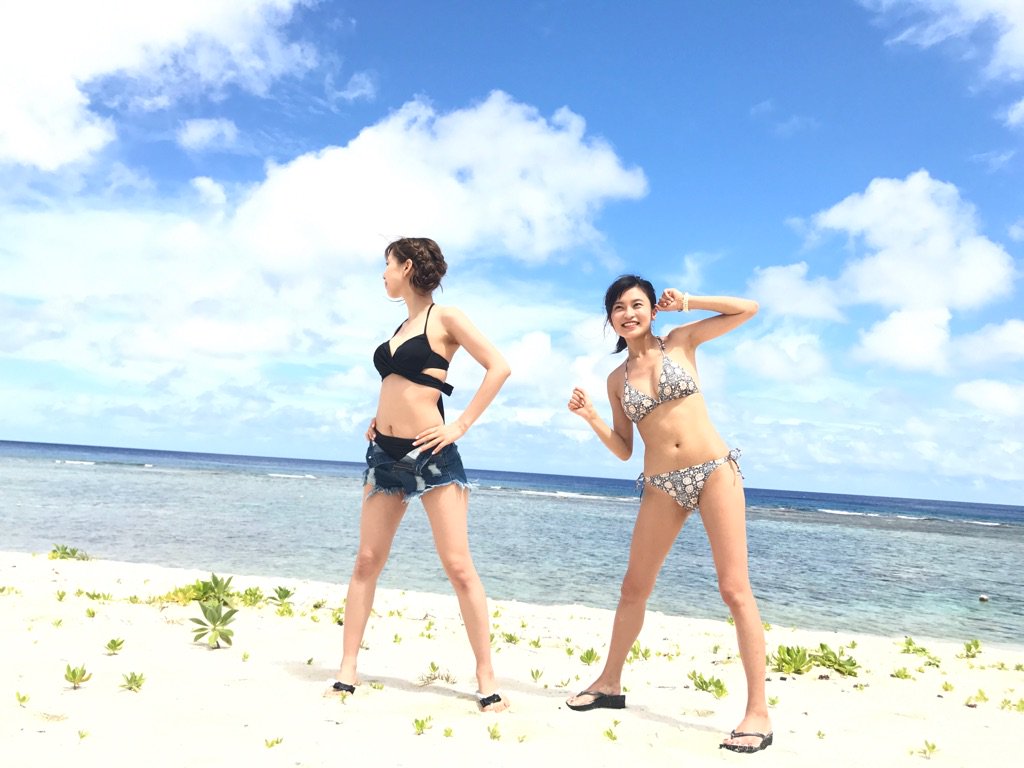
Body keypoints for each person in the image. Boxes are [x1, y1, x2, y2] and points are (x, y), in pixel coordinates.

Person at [564, 275, 772, 753]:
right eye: (619, 307)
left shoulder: (681, 341)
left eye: (637, 304)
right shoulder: (616, 380)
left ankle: (758, 712)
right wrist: (591, 417)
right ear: (611, 319)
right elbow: (624, 448)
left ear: (653, 310)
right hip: (662, 485)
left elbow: (748, 309)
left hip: (714, 471)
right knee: (633, 587)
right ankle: (609, 682)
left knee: (734, 589)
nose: (628, 313)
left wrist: (691, 302)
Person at [329, 237, 511, 713]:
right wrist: (380, 418)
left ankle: (486, 678)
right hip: (383, 455)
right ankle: (347, 669)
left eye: (387, 265)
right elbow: (401, 385)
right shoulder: (401, 326)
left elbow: (499, 367)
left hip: (432, 456)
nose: (383, 274)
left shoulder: (445, 317)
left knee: (458, 566)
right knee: (366, 561)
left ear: (407, 267)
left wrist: (460, 425)